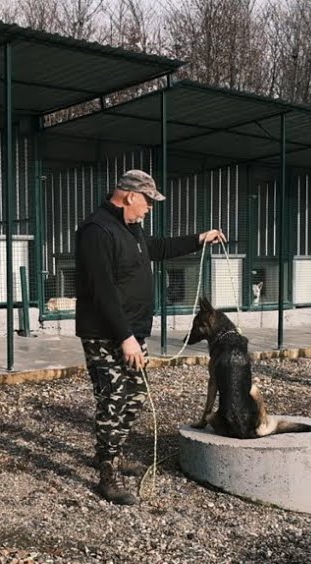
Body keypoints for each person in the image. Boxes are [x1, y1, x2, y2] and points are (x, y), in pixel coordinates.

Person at [74, 169, 227, 505]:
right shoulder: (96, 231)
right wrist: (125, 337)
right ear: (130, 195)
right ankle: (107, 474)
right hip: (106, 334)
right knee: (112, 399)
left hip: (131, 331)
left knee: (136, 395)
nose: (149, 209)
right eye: (147, 202)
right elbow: (102, 291)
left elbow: (156, 247)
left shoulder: (131, 228)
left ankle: (111, 454)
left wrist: (199, 238)